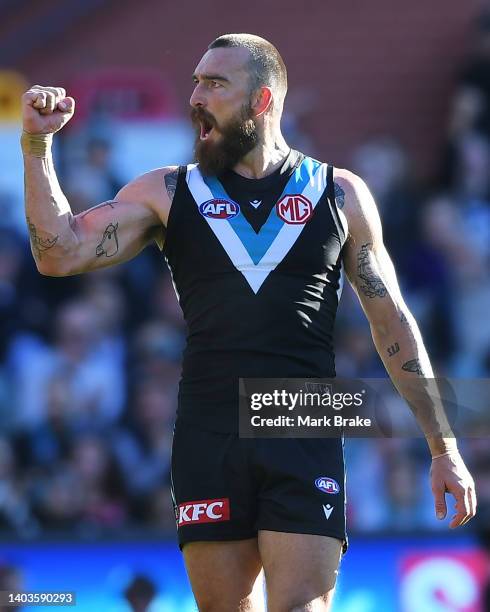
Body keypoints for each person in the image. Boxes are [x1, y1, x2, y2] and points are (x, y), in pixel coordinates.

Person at [21, 33, 476, 612]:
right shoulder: (168, 191)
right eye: (194, 82)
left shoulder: (338, 194)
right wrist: (37, 144)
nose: (195, 97)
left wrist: (444, 447)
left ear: (261, 101)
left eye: (214, 84)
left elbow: (392, 323)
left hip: (301, 421)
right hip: (210, 427)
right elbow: (57, 253)